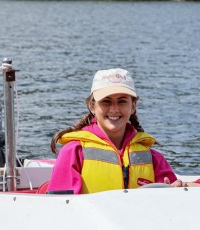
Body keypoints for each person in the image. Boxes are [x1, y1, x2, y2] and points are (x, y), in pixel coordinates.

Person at [47, 68, 177, 194]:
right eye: (106, 102)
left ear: (133, 106)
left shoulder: (154, 158)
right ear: (92, 106)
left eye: (122, 101)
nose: (114, 109)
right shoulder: (73, 152)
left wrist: (177, 188)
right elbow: (60, 207)